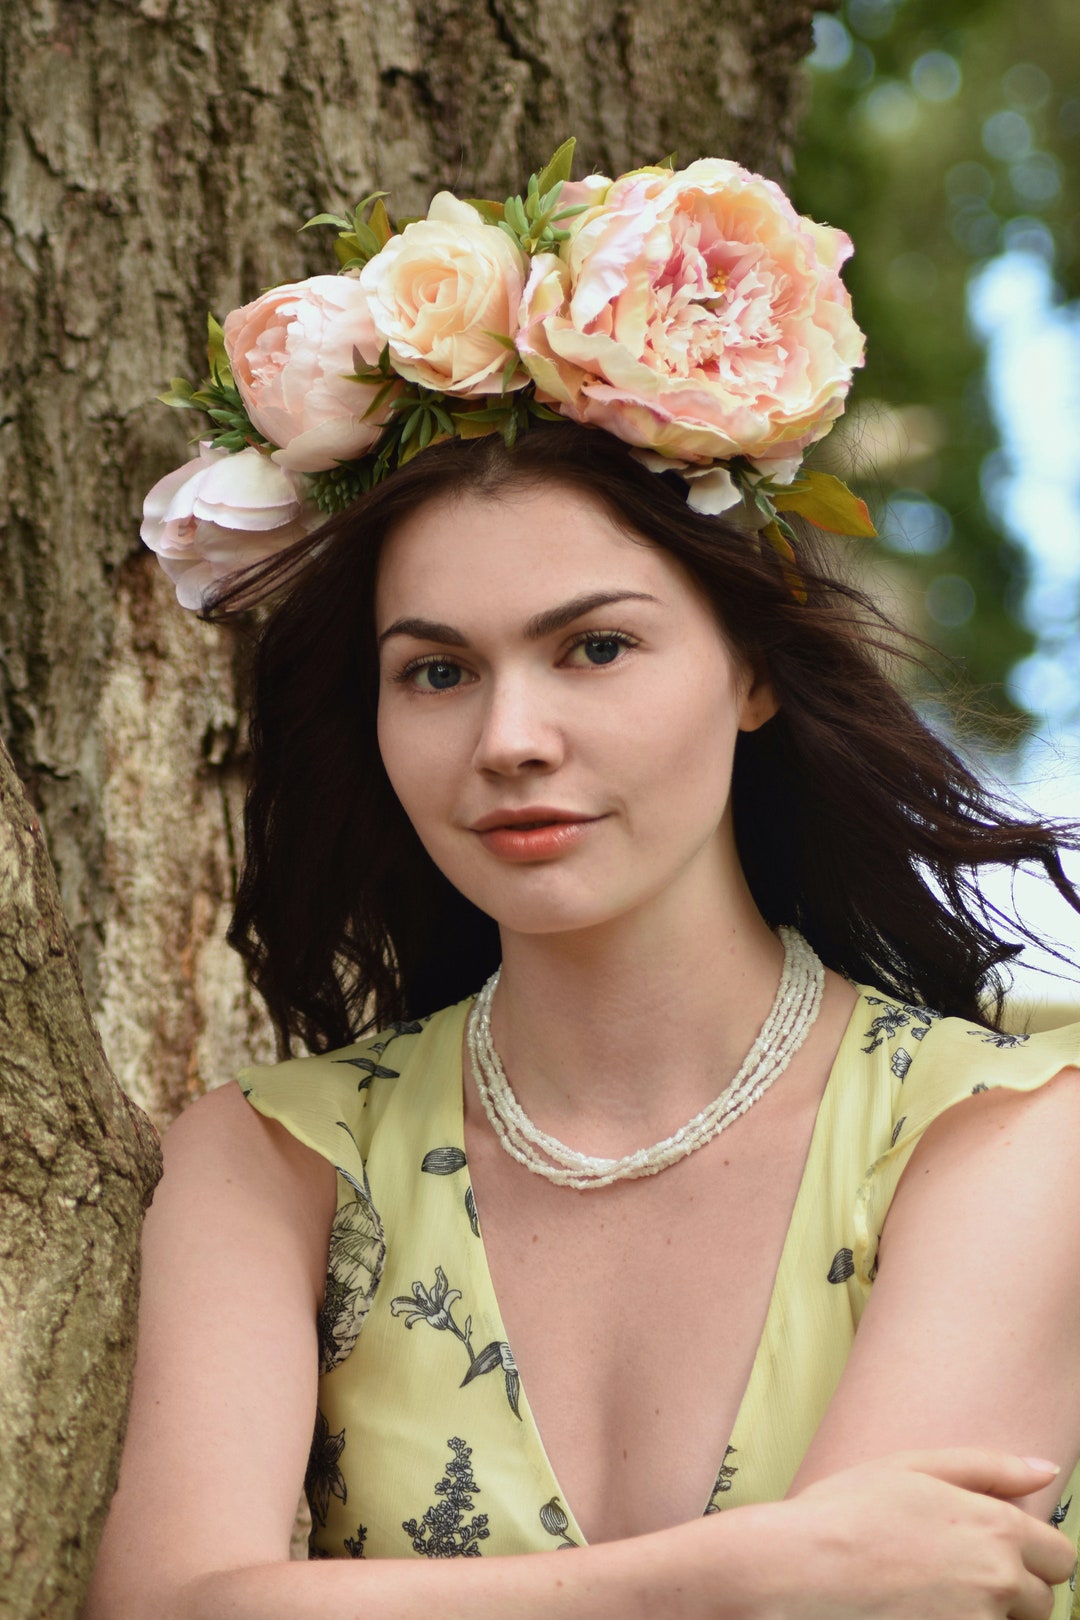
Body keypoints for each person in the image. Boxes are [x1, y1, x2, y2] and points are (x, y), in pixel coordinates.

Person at [86, 149, 1080, 1618]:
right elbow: (165, 1611)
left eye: (596, 648)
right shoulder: (272, 1163)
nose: (510, 741)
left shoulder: (1010, 1139)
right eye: (436, 671)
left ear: (750, 676)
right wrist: (743, 1576)